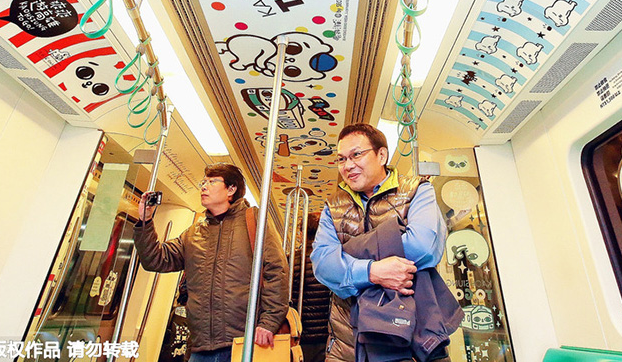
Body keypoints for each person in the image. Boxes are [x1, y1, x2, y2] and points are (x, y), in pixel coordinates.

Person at [311, 124, 452, 362]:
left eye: (357, 154)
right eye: (341, 158)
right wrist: (372, 272)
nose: (347, 165)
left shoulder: (417, 191)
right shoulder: (332, 207)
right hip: (347, 345)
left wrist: (346, 255)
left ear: (382, 155)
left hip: (409, 339)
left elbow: (424, 246)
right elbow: (323, 265)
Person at [134, 164, 288, 362]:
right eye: (203, 182)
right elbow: (155, 260)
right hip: (200, 346)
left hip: (244, 341)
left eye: (212, 181)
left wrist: (269, 322)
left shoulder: (254, 220)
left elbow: (277, 270)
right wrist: (145, 220)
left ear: (231, 190)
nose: (204, 187)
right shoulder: (194, 233)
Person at [294, 212, 331, 362]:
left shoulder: (293, 261)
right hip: (326, 334)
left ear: (302, 233)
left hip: (301, 334)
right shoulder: (330, 261)